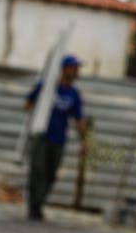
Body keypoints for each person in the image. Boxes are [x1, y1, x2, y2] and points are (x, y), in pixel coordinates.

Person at [24, 54, 88, 220]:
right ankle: (34, 206)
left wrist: (84, 142)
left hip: (58, 139)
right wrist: (35, 113)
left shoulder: (74, 94)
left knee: (50, 174)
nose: (76, 72)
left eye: (77, 69)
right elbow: (27, 104)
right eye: (74, 68)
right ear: (65, 69)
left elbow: (79, 119)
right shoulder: (46, 87)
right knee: (37, 170)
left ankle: (38, 203)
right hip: (41, 135)